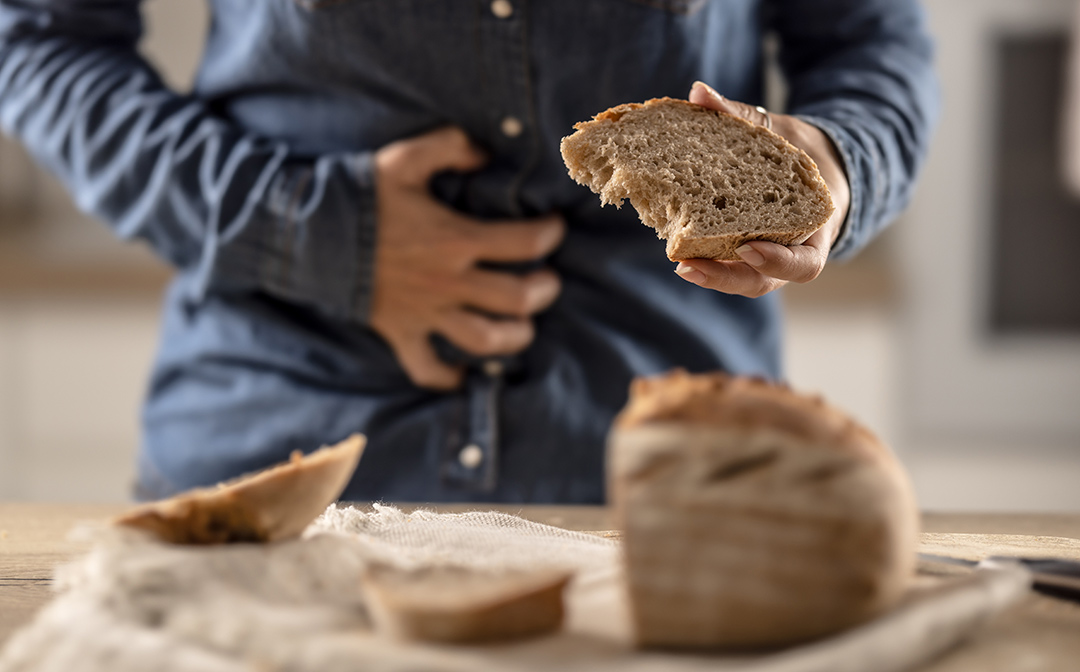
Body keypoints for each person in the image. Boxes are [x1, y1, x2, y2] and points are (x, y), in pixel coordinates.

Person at [0, 0, 937, 503]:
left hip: (669, 479)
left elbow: (873, 41)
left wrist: (835, 165)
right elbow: (40, 43)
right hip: (276, 451)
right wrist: (311, 231)